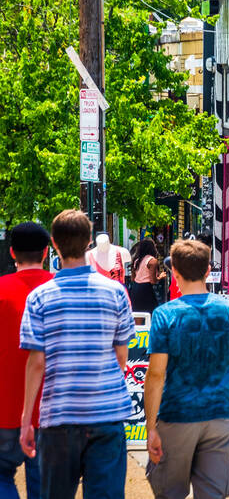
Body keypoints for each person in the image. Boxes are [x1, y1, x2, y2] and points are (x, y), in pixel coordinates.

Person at [20, 209, 135, 498]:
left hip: (59, 417)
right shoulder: (116, 292)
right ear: (88, 243)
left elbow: (36, 363)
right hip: (107, 414)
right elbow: (122, 355)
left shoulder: (40, 297)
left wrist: (26, 420)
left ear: (54, 244)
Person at [144, 240, 229, 499]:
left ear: (175, 273)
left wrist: (151, 426)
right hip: (219, 415)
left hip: (176, 416)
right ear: (207, 271)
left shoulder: (165, 315)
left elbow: (156, 375)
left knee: (168, 492)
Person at [0, 222, 51, 499]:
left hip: (4, 408)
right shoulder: (58, 290)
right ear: (45, 252)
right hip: (51, 411)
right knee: (44, 486)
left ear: (11, 252)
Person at [130, 238, 166, 313]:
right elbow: (153, 281)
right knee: (150, 314)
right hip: (146, 289)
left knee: (137, 315)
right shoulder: (152, 261)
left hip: (135, 289)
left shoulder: (136, 260)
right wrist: (161, 276)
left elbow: (133, 278)